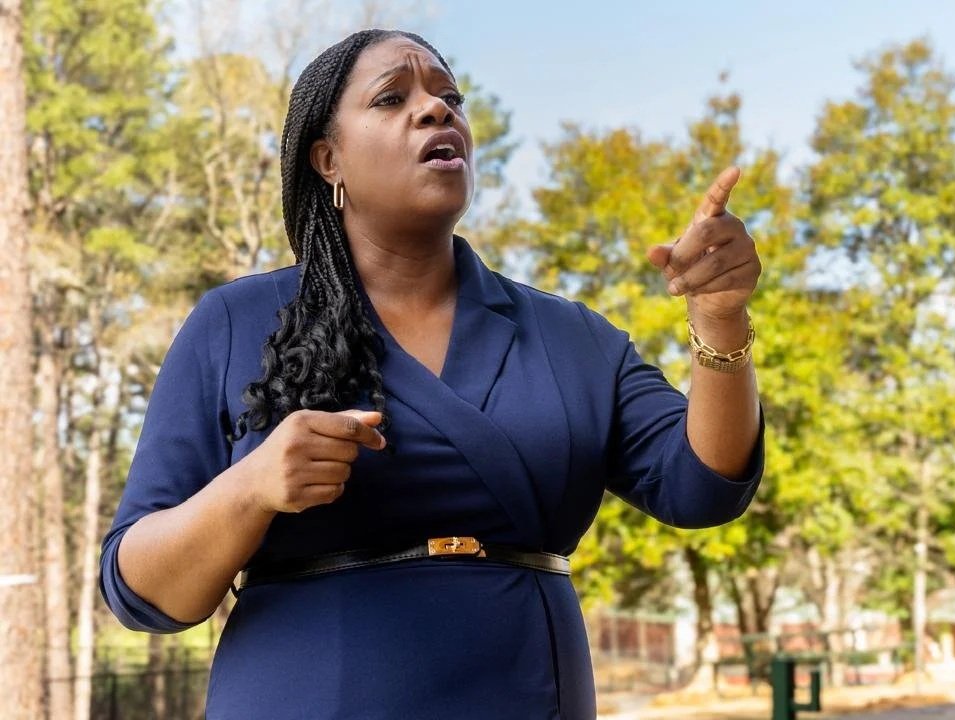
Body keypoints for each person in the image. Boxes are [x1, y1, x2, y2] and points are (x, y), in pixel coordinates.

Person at [98, 28, 765, 720]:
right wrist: (251, 488)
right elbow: (141, 591)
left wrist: (719, 320)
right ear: (328, 159)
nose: (437, 109)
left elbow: (703, 487)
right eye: (392, 98)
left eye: (451, 97)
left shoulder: (571, 337)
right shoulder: (234, 323)